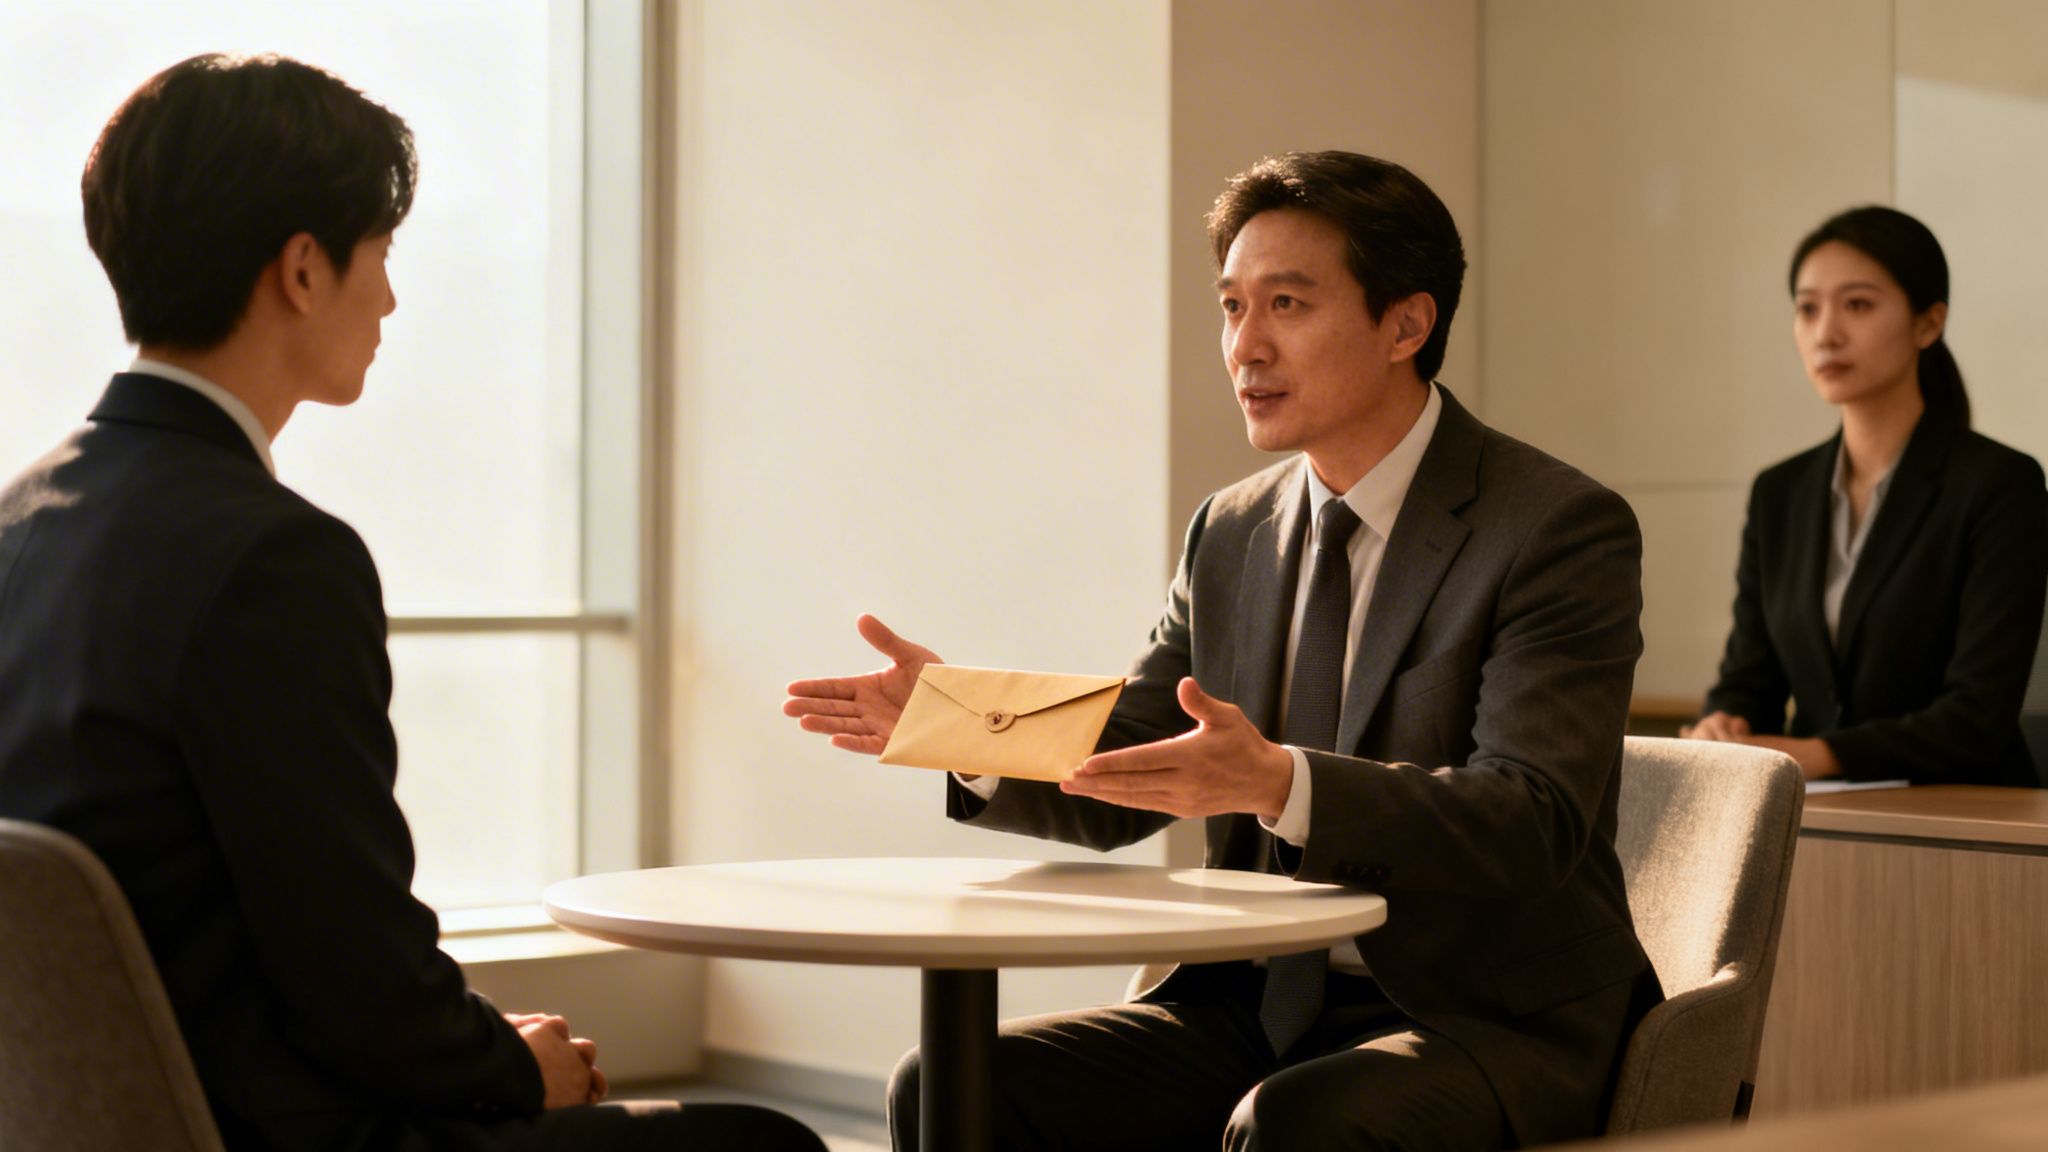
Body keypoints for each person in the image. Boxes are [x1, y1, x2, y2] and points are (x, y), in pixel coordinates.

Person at [0, 54, 823, 1152]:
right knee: (758, 1143)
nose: (388, 298)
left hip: (80, 1118)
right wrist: (510, 1065)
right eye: (380, 255)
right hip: (272, 1129)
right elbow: (357, 987)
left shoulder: (21, 520)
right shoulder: (272, 560)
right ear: (302, 267)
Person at [786, 150, 1658, 1151]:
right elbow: (1144, 743)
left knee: (1297, 1123)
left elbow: (1528, 819)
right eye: (1231, 307)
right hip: (1255, 1009)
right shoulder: (1231, 530)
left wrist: (1279, 782)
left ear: (1404, 325)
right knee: (955, 1084)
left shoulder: (1551, 526)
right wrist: (957, 727)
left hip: (1484, 1018)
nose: (1245, 347)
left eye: (1286, 304)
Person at [1684, 206, 2048, 786]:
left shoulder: (2000, 482)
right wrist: (1723, 728)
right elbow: (1748, 679)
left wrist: (1821, 754)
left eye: (1857, 304)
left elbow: (1978, 714)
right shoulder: (1779, 492)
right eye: (1808, 308)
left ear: (1928, 324)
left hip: (1971, 822)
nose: (1826, 332)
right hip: (1816, 816)